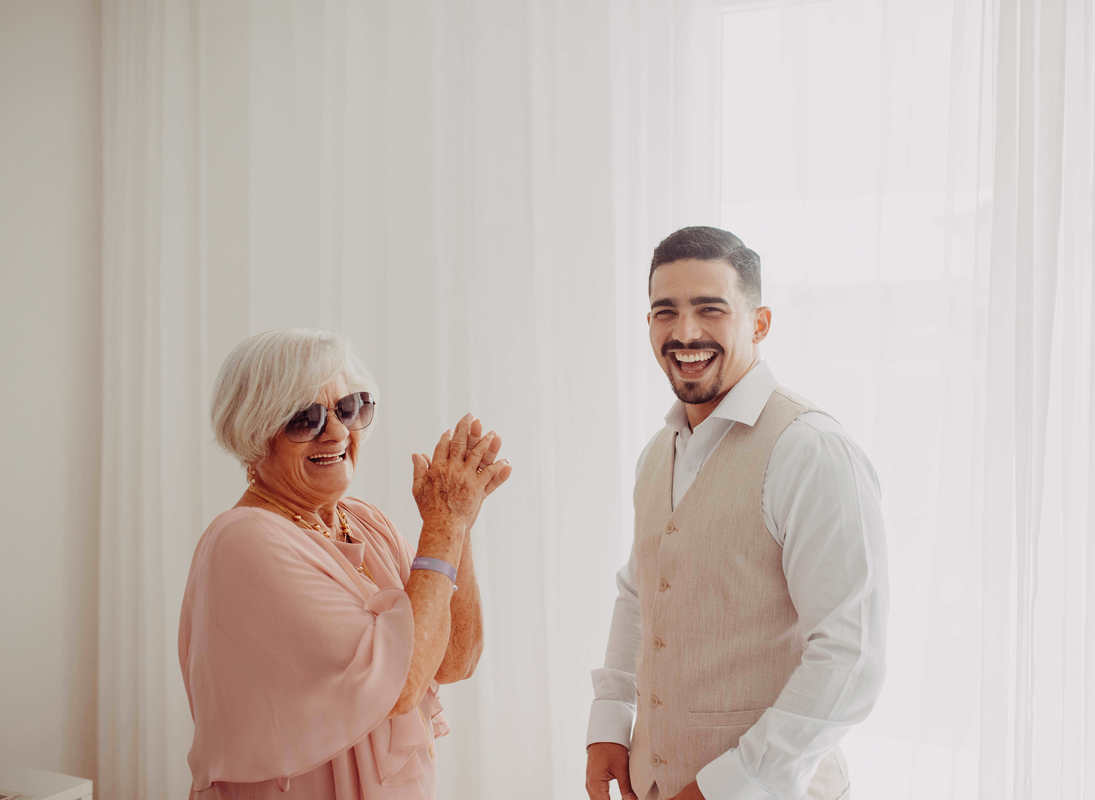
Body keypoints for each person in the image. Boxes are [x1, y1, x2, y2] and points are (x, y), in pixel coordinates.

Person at [585, 227, 888, 800]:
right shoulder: (658, 454)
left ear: (759, 322)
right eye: (664, 312)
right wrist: (609, 724)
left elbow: (852, 659)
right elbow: (640, 593)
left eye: (710, 309)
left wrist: (729, 786)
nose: (685, 333)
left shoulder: (810, 449)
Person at [179, 328, 512, 799]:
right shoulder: (244, 540)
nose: (336, 432)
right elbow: (399, 687)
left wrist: (459, 523)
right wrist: (442, 524)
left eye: (349, 408)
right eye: (306, 418)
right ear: (256, 433)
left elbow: (457, 659)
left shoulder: (364, 522)